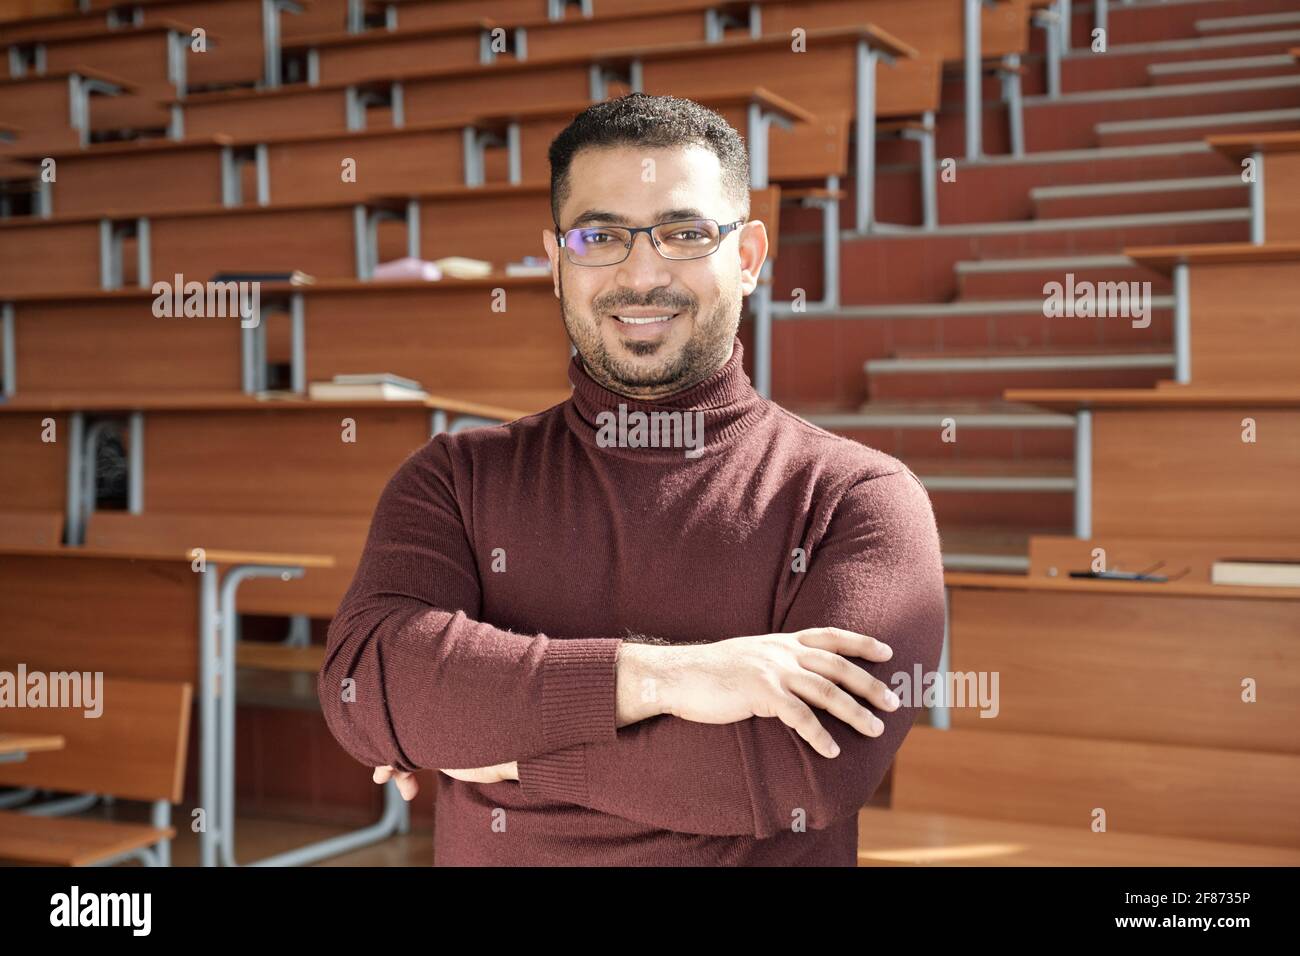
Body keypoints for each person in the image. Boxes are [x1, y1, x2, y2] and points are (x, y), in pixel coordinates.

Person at [318, 92, 945, 866]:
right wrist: (670, 678)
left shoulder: (859, 499)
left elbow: (804, 771)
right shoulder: (455, 477)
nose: (641, 274)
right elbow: (369, 689)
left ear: (747, 257)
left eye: (684, 233)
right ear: (556, 263)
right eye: (600, 236)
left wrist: (505, 747)